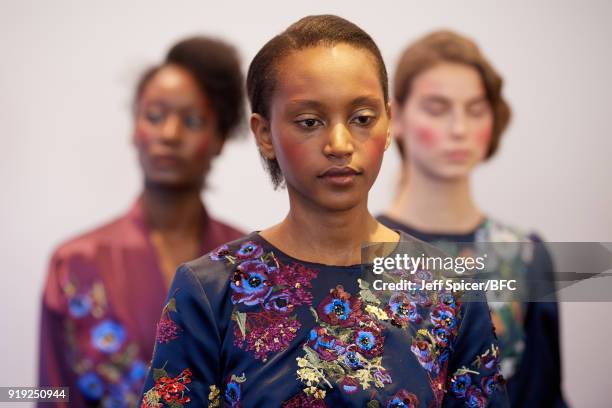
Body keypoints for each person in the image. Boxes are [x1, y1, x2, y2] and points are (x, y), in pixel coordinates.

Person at [139, 15, 508, 407]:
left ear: (388, 123)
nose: (339, 143)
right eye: (310, 122)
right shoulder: (213, 290)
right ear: (264, 134)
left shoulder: (448, 290)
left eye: (362, 119)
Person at [38, 36, 245, 407]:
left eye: (193, 120)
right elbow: (50, 391)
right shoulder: (75, 264)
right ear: (135, 127)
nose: (169, 134)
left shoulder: (248, 265)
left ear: (220, 137)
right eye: (154, 115)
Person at [378, 30, 566, 407]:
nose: (459, 129)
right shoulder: (357, 247)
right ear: (394, 117)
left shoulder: (523, 255)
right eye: (437, 108)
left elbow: (540, 395)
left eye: (476, 109)